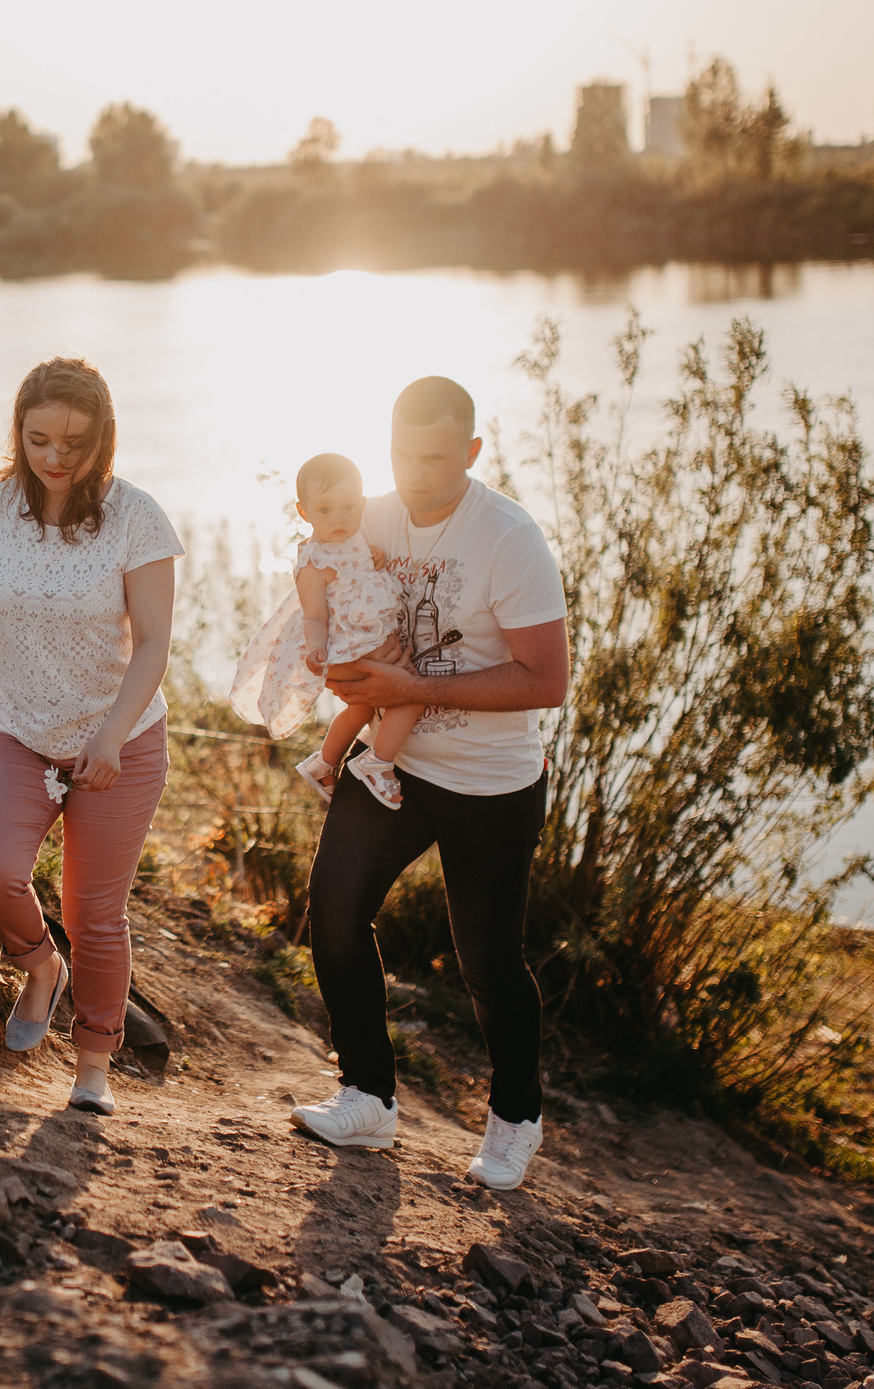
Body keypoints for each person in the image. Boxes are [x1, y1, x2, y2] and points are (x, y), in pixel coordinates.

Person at [286, 376, 570, 1192]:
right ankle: (368, 1097)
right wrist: (335, 661)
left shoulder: (508, 537)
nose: (414, 474)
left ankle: (516, 1117)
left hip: (491, 783)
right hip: (395, 762)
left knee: (487, 961)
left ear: (472, 451)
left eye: (436, 458)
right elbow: (326, 609)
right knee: (335, 909)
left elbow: (546, 678)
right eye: (401, 455)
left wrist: (410, 685)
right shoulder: (366, 515)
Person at [0, 357, 182, 1117]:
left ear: (104, 439)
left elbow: (154, 642)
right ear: (18, 432)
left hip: (118, 741)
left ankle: (93, 1066)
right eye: (39, 439)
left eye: (75, 443)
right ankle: (40, 966)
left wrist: (112, 735)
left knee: (94, 914)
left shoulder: (137, 518)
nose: (56, 457)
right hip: (17, 728)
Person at [226, 453, 421, 801]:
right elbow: (314, 616)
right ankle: (377, 762)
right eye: (325, 510)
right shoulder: (313, 563)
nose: (338, 518)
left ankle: (324, 763)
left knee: (363, 707)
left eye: (348, 507)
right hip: (352, 647)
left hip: (371, 639)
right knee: (411, 693)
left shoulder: (355, 538)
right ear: (304, 512)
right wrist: (317, 649)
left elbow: (358, 575)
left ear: (362, 504)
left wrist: (374, 557)